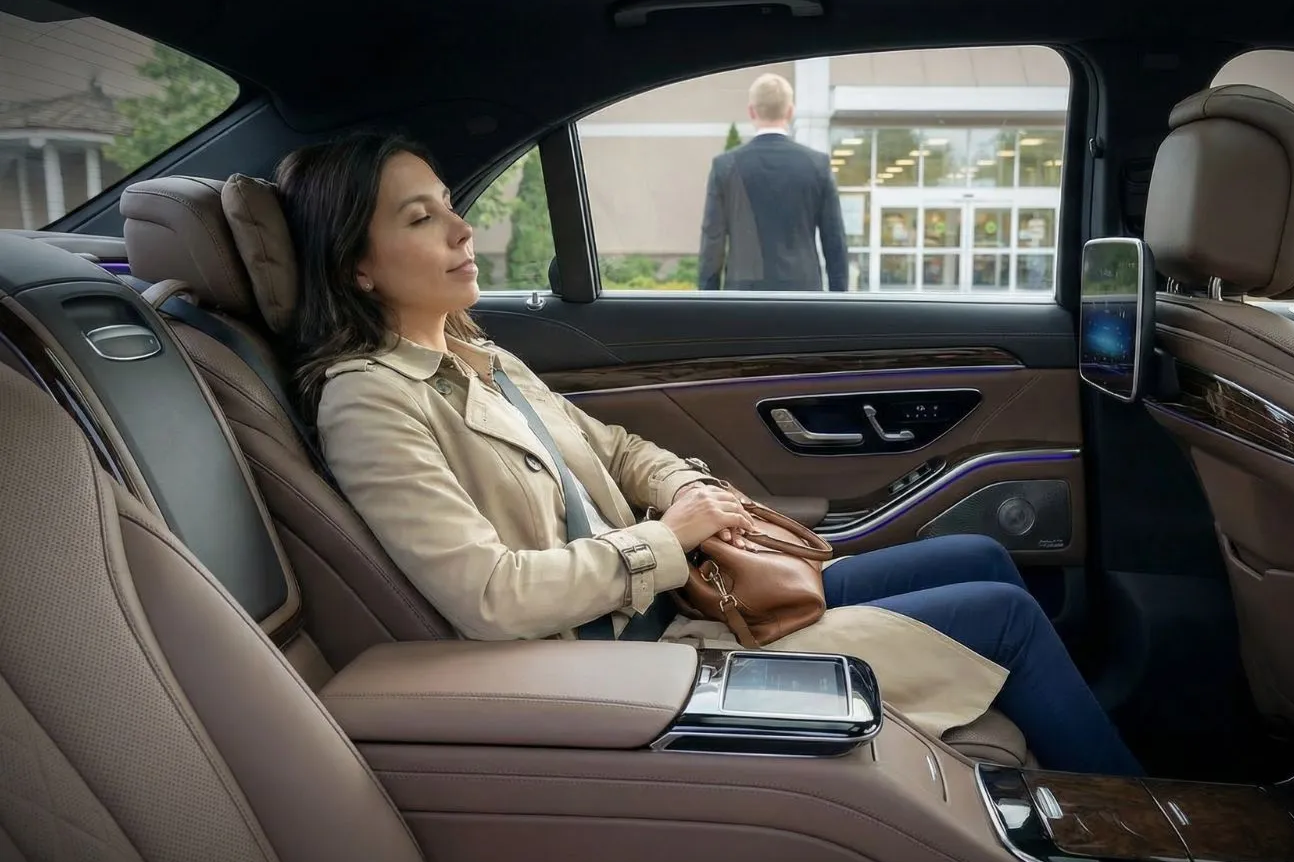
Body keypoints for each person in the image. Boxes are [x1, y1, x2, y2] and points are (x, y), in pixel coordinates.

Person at [278, 131, 1143, 776]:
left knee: (980, 555)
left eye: (449, 204)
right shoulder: (369, 398)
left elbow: (614, 448)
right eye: (422, 218)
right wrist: (666, 539)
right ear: (358, 267)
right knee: (1005, 617)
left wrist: (690, 494)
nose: (462, 230)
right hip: (632, 661)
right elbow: (491, 597)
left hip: (684, 600)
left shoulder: (481, 355)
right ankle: (1134, 834)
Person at [698, 73, 849, 292]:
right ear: (790, 111)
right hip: (803, 296)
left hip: (743, 297)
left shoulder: (725, 166)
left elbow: (713, 241)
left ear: (751, 111)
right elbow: (834, 240)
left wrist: (707, 299)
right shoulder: (817, 165)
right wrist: (839, 299)